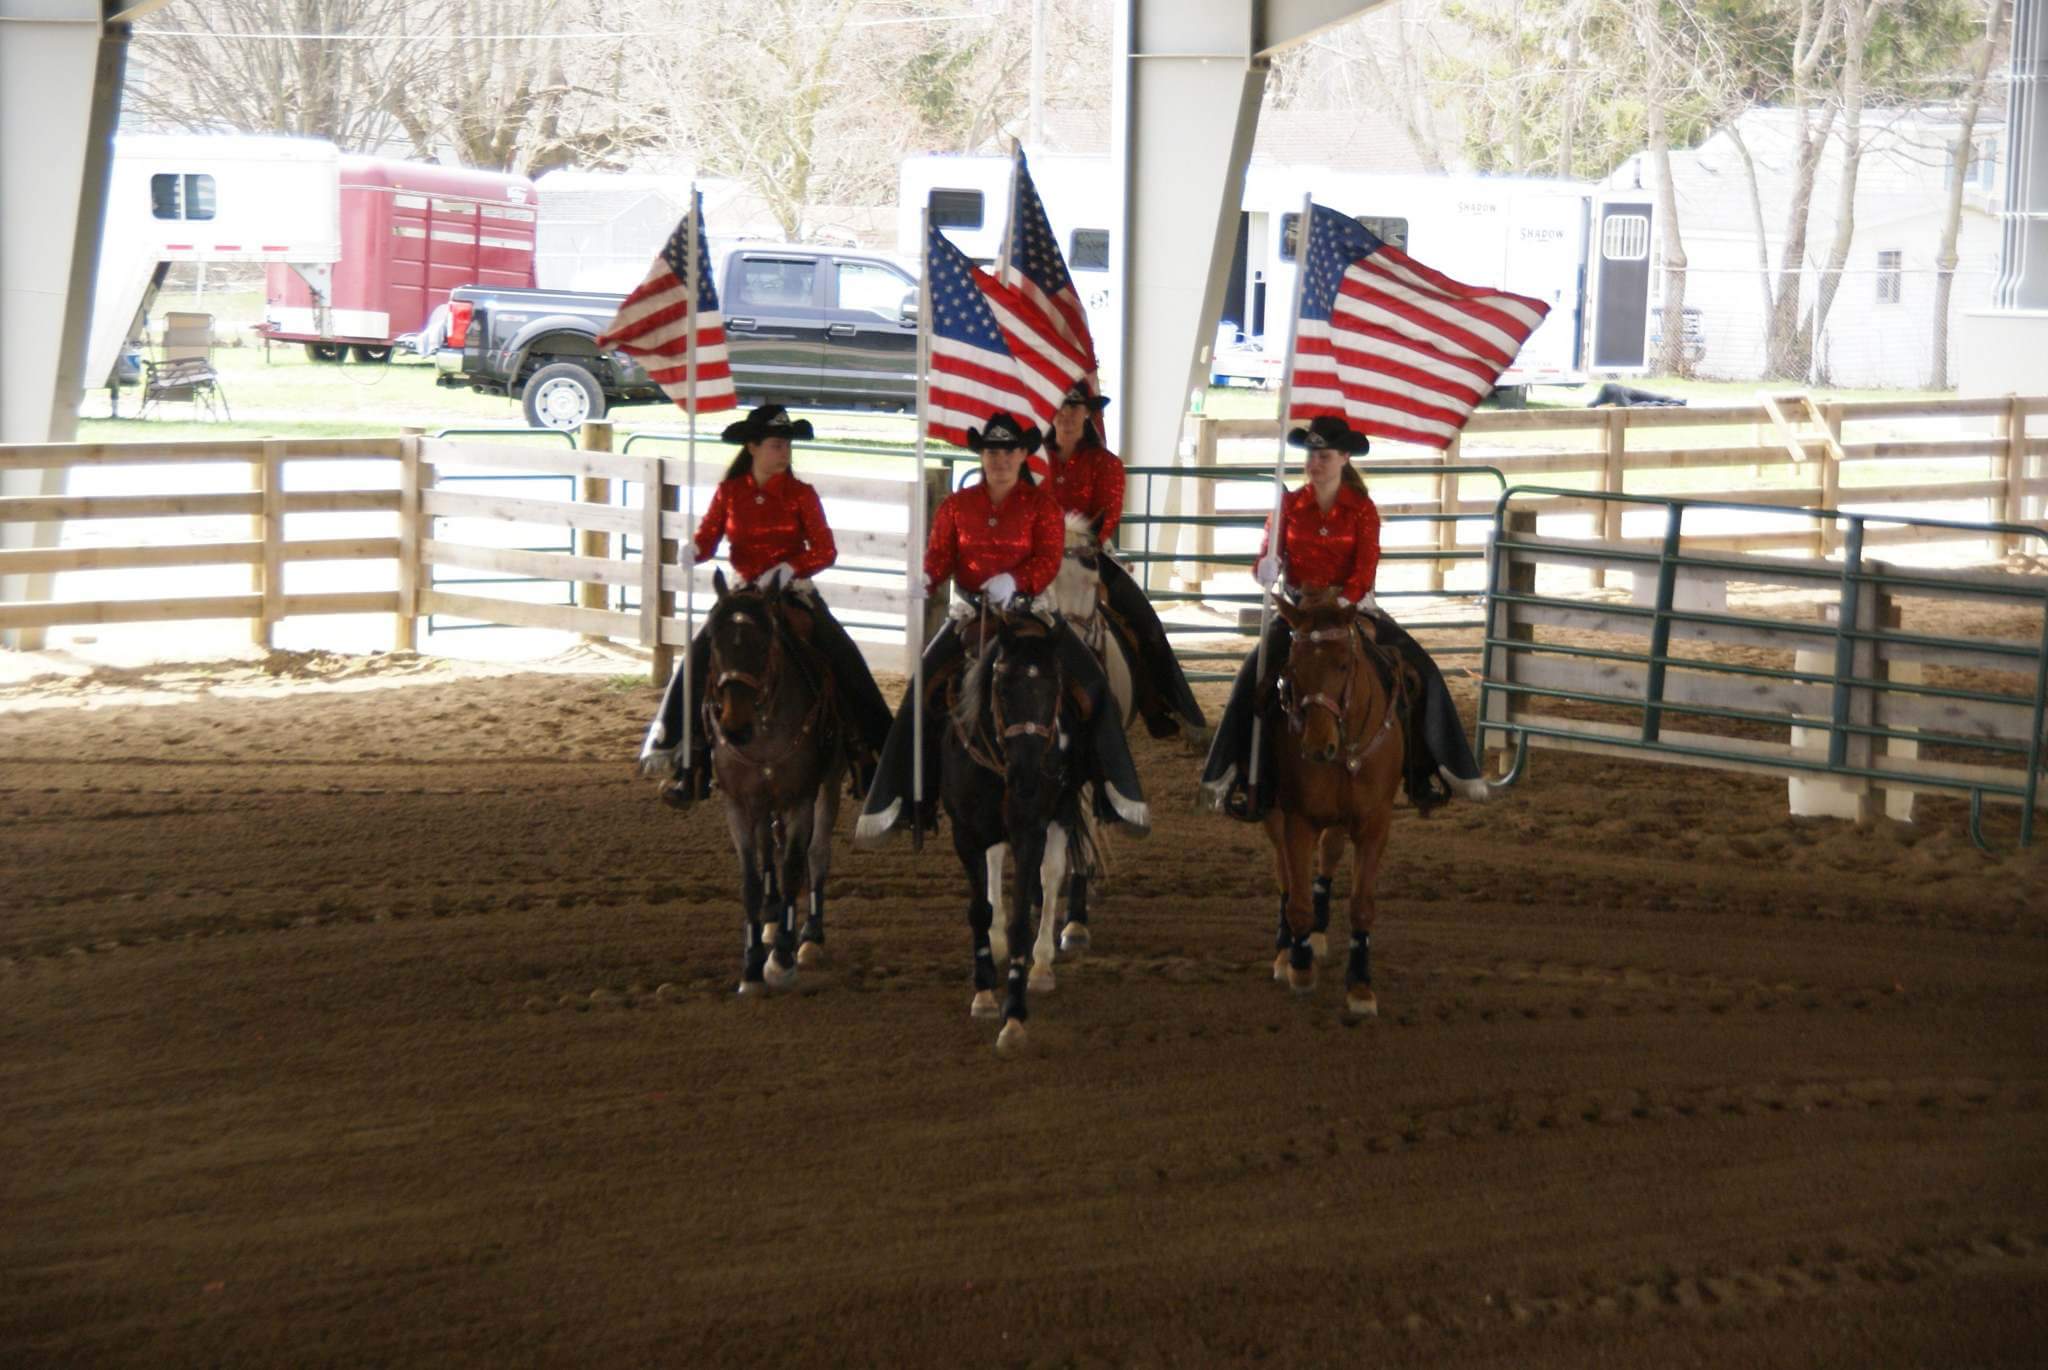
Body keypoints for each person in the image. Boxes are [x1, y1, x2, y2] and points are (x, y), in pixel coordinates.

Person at [854, 412, 1151, 847]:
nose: (1000, 460)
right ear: (982, 455)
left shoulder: (1042, 507)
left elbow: (1049, 559)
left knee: (1093, 685)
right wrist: (927, 577)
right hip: (973, 615)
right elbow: (941, 554)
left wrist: (1018, 581)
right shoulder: (957, 506)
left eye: (1009, 451)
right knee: (922, 687)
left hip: (1032, 612)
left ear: (1023, 455)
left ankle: (1115, 790)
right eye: (992, 451)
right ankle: (898, 797)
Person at [1197, 414, 1489, 819]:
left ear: (1344, 458)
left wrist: (1340, 607)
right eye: (1311, 455)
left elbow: (1364, 570)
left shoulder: (1362, 510)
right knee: (1251, 675)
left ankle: (1435, 767)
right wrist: (1265, 565)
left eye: (1324, 455)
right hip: (1299, 612)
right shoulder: (1289, 505)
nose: (1314, 463)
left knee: (1424, 672)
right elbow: (1267, 555)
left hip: (1353, 608)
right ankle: (1228, 771)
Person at [637, 404, 893, 806]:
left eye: (787, 444)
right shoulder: (730, 492)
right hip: (742, 593)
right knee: (702, 653)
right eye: (776, 445)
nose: (784, 452)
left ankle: (870, 752)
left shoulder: (801, 494)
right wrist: (695, 549)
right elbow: (709, 536)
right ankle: (683, 753)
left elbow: (825, 549)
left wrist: (792, 567)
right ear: (752, 447)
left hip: (793, 592)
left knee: (843, 657)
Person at [1034, 382, 1206, 738]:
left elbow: (1108, 516)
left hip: (1089, 555)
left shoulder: (1107, 464)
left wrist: (1082, 542)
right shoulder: (1036, 460)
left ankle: (1163, 703)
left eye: (1076, 407)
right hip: (1040, 559)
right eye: (1062, 407)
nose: (1067, 414)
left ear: (1088, 413)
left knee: (1147, 625)